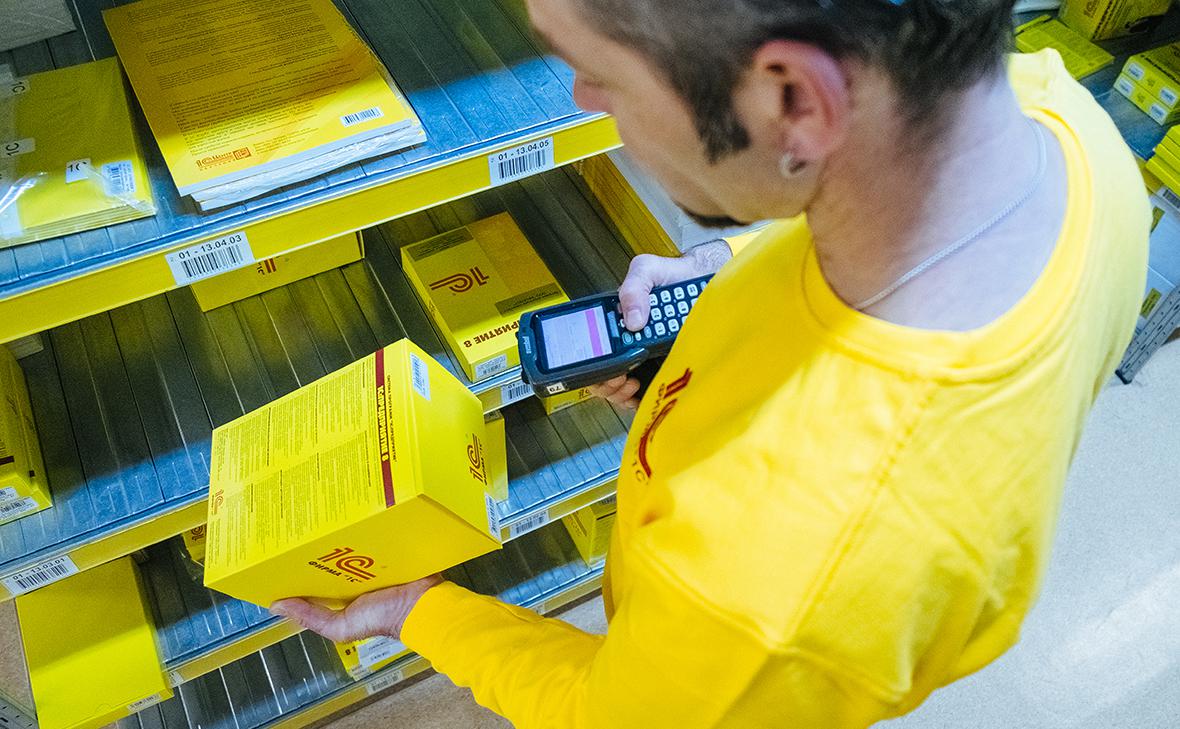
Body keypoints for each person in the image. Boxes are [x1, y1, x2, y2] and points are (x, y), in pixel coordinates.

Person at [271, 0, 1149, 725]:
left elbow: (601, 710)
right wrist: (728, 272)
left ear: (794, 101)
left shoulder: (767, 589)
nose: (582, 97)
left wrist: (420, 607)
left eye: (603, 74)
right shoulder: (1071, 131)